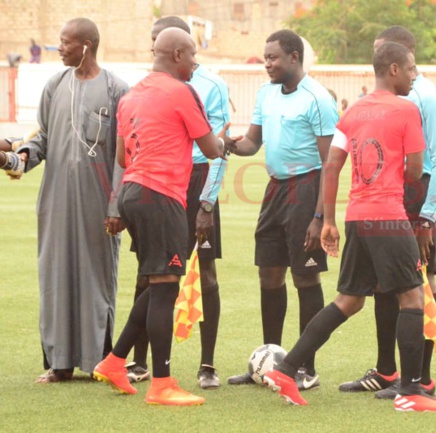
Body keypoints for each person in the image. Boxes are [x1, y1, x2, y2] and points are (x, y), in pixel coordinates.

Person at [262, 41, 436, 413]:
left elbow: (332, 164)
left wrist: (329, 221)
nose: (415, 75)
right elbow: (416, 170)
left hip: (356, 217)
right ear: (394, 69)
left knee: (348, 301)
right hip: (389, 216)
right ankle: (413, 391)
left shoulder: (352, 112)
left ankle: (286, 369)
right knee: (413, 297)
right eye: (412, 68)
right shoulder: (406, 110)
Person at [93, 27, 231, 406]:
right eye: (190, 56)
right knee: (167, 286)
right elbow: (209, 146)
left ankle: (115, 361)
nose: (193, 63)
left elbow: (122, 158)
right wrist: (224, 141)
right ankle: (162, 384)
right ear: (175, 55)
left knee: (158, 283)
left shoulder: (131, 95)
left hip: (133, 193)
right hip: (163, 195)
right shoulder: (182, 92)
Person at [8, 18, 129, 383]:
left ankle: (99, 361)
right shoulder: (54, 85)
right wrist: (16, 158)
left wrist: (116, 205)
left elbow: (125, 156)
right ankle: (58, 364)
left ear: (86, 46)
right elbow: (42, 138)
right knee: (55, 276)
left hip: (99, 204)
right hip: (55, 201)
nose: (59, 48)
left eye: (65, 42)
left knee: (97, 280)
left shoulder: (116, 89)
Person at [338, 25, 436, 401]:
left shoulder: (426, 98)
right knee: (383, 285)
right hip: (388, 196)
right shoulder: (382, 97)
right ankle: (388, 371)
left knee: (422, 284)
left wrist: (427, 217)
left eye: (384, 53)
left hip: (418, 196)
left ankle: (422, 378)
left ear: (403, 59)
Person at [226, 29, 338, 390]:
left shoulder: (318, 98)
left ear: (294, 56)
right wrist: (226, 144)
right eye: (265, 58)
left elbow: (330, 164)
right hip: (275, 190)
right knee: (269, 275)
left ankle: (306, 367)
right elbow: (252, 144)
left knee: (306, 277)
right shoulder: (266, 93)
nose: (267, 64)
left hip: (307, 190)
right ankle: (268, 361)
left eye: (273, 57)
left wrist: (319, 217)